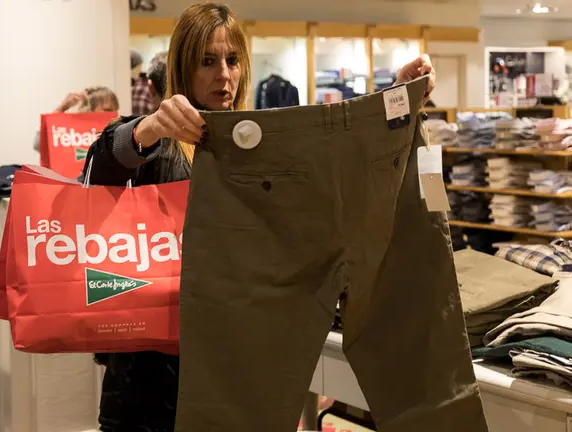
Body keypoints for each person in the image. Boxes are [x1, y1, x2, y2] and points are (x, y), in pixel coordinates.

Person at [81, 3, 436, 431]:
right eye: (207, 61)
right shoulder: (160, 141)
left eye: (232, 61)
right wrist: (149, 128)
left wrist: (394, 99)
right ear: (182, 65)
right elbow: (98, 171)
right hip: (153, 383)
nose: (224, 75)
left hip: (239, 371)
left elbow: (336, 155)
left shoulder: (263, 144)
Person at [33, 87, 119, 151]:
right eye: (108, 110)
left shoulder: (116, 134)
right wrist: (61, 108)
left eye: (116, 111)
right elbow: (38, 144)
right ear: (89, 110)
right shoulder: (71, 133)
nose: (114, 116)